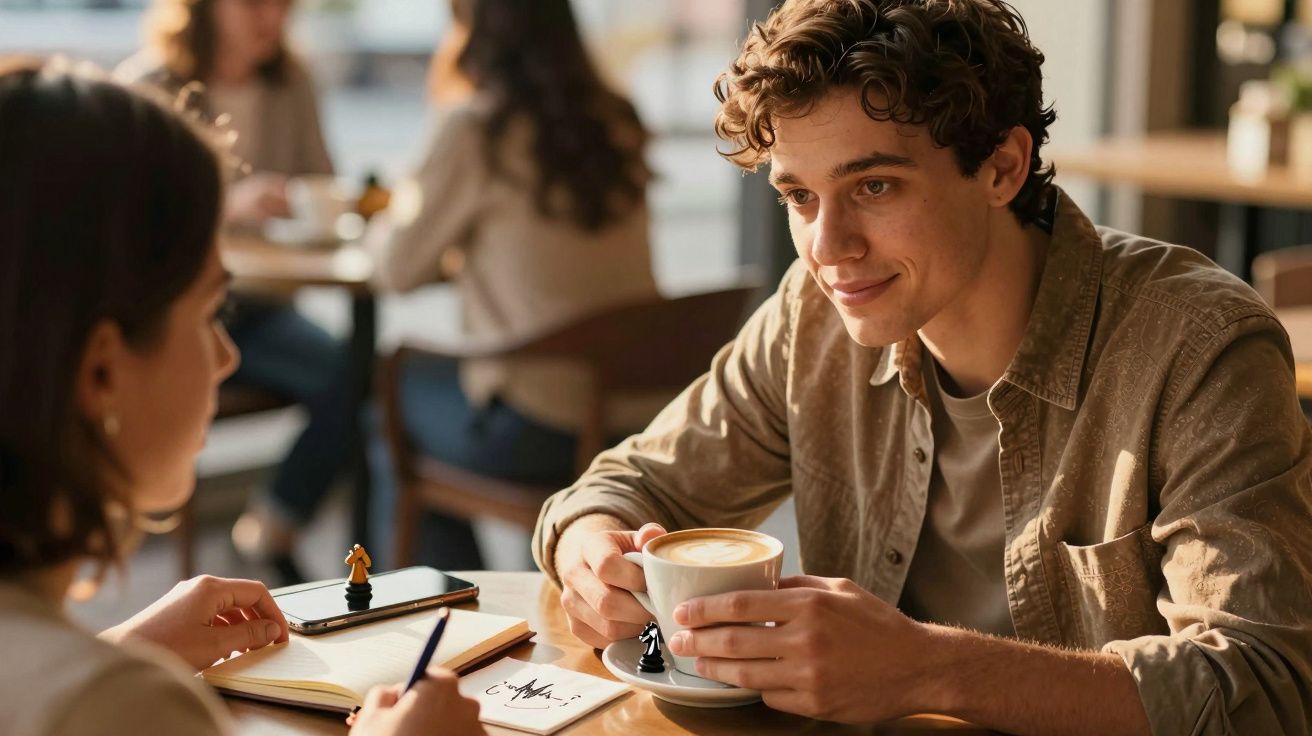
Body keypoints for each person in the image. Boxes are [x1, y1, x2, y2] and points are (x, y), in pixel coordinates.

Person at [532, 1, 1312, 734]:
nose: (829, 248)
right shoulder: (811, 315)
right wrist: (593, 555)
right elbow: (624, 487)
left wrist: (927, 669)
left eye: (874, 186)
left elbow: (1261, 688)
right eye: (800, 196)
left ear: (1004, 168)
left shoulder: (1199, 346)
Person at [0, 57, 483, 736]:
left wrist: (128, 650)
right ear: (102, 371)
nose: (228, 355)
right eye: (210, 314)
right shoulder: (121, 707)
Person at [364, 0, 661, 570]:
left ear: (474, 31)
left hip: (547, 422)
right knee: (425, 397)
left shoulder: (476, 127)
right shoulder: (616, 116)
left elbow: (395, 268)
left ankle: (444, 609)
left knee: (390, 399)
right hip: (640, 406)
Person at [117, 0, 354, 584]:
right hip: (177, 313)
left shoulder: (292, 82)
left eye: (283, 4)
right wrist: (226, 203)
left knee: (356, 375)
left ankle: (271, 524)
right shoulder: (149, 86)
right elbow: (124, 221)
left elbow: (320, 181)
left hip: (263, 306)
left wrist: (303, 204)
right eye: (253, 3)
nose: (271, 17)